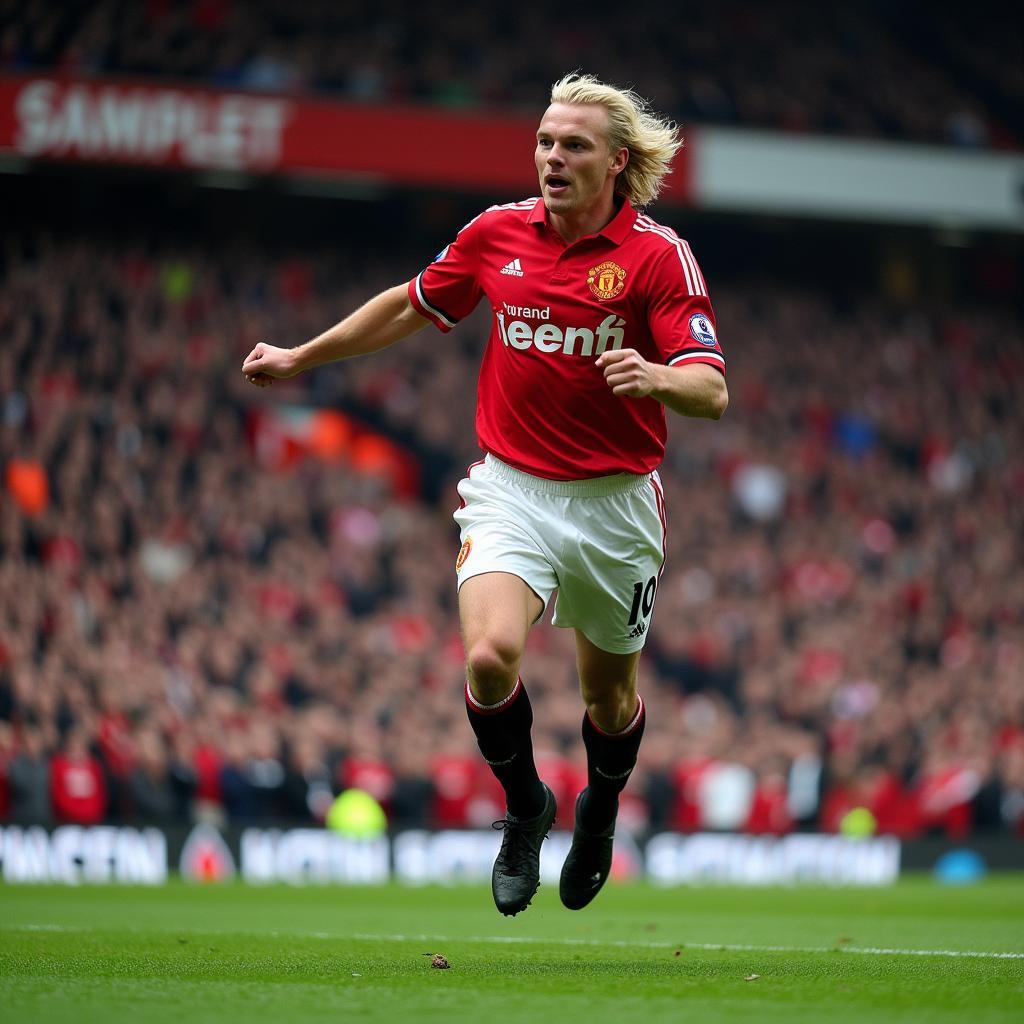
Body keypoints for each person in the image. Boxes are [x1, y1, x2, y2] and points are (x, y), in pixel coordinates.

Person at [242, 72, 728, 915]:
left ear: (616, 161)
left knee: (608, 699)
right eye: (544, 141)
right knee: (488, 658)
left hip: (615, 507)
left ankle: (600, 810)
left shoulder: (657, 256)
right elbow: (412, 304)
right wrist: (300, 357)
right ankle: (525, 806)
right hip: (512, 491)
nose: (552, 156)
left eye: (573, 144)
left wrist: (655, 375)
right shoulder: (497, 233)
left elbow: (710, 389)